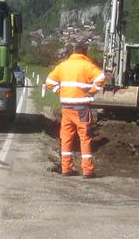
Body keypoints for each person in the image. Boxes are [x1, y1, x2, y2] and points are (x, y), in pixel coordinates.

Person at [44, 43, 106, 178]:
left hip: (66, 107)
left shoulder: (63, 65)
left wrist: (60, 92)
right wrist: (91, 93)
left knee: (66, 138)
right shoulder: (87, 66)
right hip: (81, 108)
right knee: (85, 138)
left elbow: (49, 81)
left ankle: (66, 168)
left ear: (73, 52)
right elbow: (101, 78)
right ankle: (88, 171)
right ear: (84, 52)